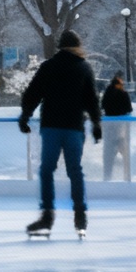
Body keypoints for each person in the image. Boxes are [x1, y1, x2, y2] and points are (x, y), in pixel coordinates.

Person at [18, 31, 103, 238]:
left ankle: (47, 216)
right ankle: (80, 217)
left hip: (52, 126)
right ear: (78, 46)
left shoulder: (48, 67)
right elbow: (91, 99)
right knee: (75, 170)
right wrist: (96, 123)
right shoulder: (83, 67)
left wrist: (25, 116)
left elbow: (33, 93)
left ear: (60, 47)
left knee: (47, 170)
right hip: (74, 126)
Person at [101, 74, 133, 180]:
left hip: (109, 129)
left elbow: (103, 106)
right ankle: (127, 177)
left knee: (108, 156)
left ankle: (107, 177)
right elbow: (129, 109)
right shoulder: (124, 94)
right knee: (126, 156)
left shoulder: (107, 94)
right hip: (121, 129)